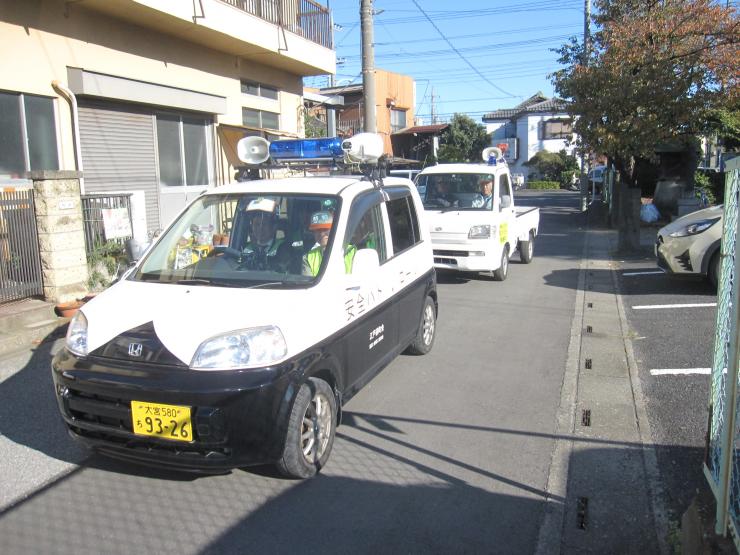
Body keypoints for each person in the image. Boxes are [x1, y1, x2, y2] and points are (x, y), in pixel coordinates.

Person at [241, 198, 292, 271]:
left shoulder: (283, 248)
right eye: (257, 224)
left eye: (264, 224)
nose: (260, 229)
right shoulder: (246, 250)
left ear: (274, 226)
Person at [302, 211, 334, 276]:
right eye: (317, 230)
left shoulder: (350, 252)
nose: (321, 234)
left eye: (325, 229)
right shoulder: (307, 257)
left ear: (334, 229)